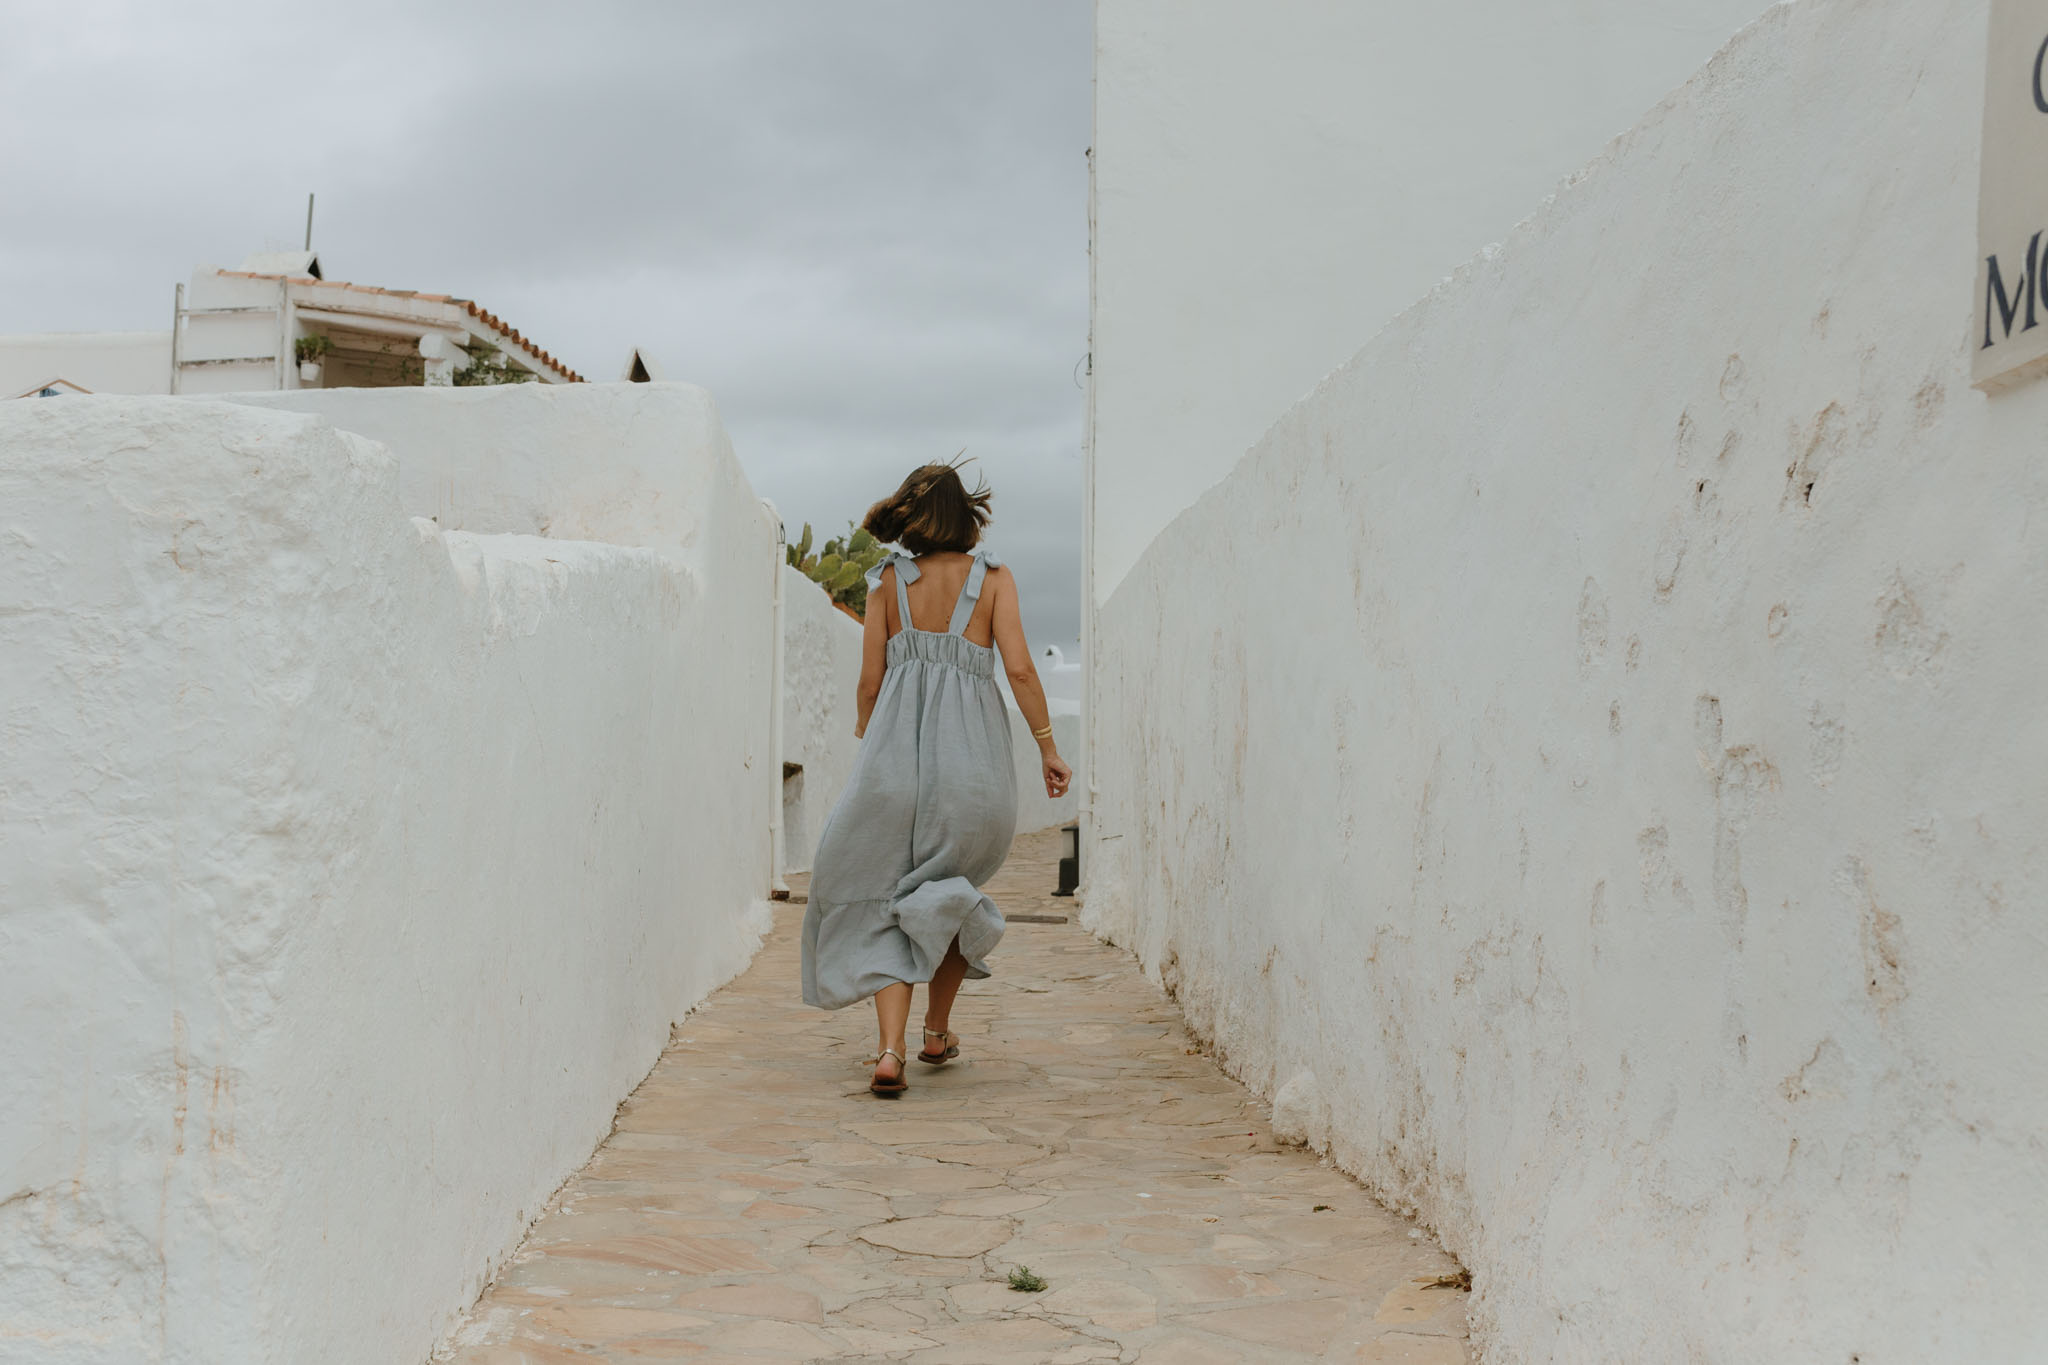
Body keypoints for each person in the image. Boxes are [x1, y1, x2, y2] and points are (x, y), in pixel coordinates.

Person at [800, 462, 1073, 1096]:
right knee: (948, 891)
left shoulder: (886, 582)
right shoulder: (994, 579)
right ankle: (936, 1030)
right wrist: (1047, 749)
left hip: (892, 769)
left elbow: (869, 683)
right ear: (965, 516)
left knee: (882, 897)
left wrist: (873, 737)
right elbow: (1022, 671)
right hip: (971, 771)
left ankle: (889, 1049)